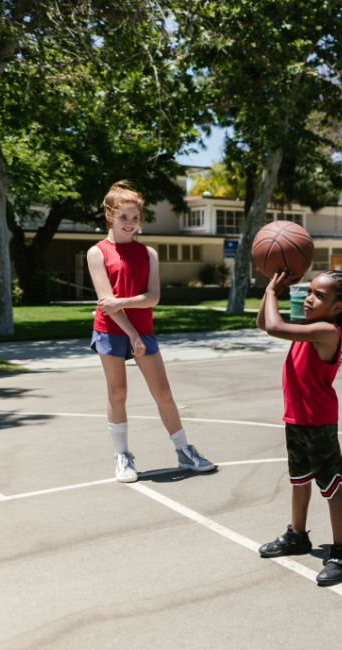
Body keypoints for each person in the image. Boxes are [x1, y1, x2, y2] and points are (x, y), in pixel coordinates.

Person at [87, 181, 215, 483]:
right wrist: (131, 333)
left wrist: (126, 304)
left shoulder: (149, 254)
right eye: (123, 218)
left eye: (135, 218)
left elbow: (153, 297)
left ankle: (184, 450)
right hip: (111, 330)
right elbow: (107, 306)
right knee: (118, 392)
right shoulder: (97, 253)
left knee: (163, 392)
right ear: (109, 216)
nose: (130, 224)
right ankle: (123, 456)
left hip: (143, 329)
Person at [256, 269, 342, 586]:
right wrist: (269, 293)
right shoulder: (308, 327)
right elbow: (263, 323)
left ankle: (341, 552)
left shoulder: (327, 331)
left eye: (319, 295)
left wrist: (273, 289)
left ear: (338, 307)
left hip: (318, 421)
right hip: (296, 418)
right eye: (309, 291)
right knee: (299, 480)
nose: (309, 298)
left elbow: (273, 326)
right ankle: (297, 535)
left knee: (330, 486)